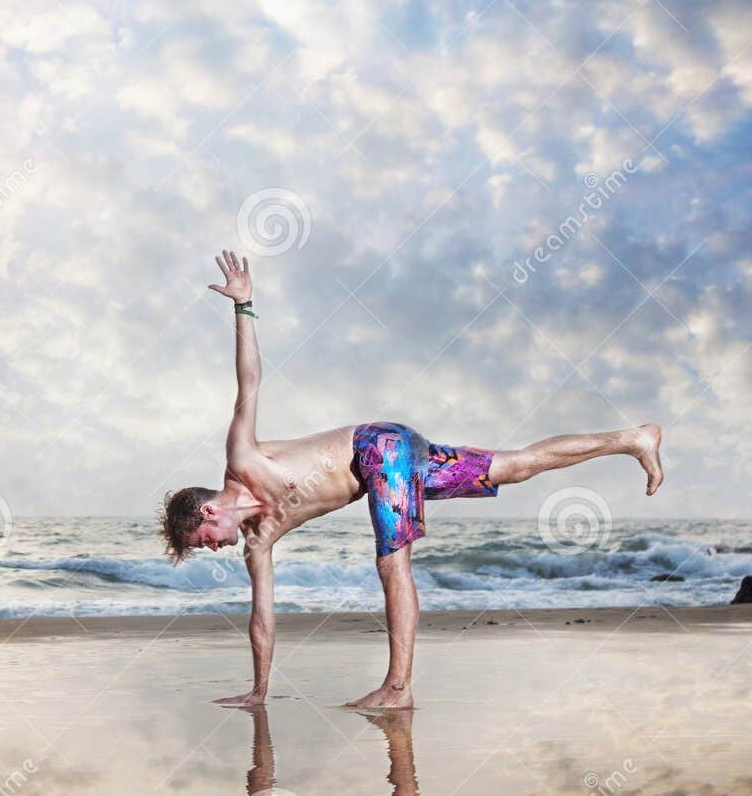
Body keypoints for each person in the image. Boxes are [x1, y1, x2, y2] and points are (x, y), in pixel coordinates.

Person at [159, 250, 664, 710]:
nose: (211, 548)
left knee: (391, 563)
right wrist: (260, 689)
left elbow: (248, 380)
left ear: (207, 512)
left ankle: (398, 689)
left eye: (202, 542)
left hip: (378, 448)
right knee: (517, 466)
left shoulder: (243, 459)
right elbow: (261, 618)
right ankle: (633, 439)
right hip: (398, 458)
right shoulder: (258, 541)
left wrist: (244, 308)